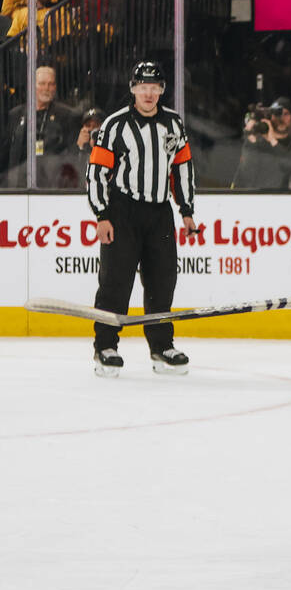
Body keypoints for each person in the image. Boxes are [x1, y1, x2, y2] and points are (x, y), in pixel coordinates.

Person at [87, 61, 196, 377]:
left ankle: (162, 347)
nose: (148, 93)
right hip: (122, 212)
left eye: (155, 87)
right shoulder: (114, 125)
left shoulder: (174, 124)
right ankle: (105, 346)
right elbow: (96, 172)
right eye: (143, 87)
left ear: (162, 90)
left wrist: (186, 211)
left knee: (162, 282)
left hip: (160, 213)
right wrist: (102, 214)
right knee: (115, 284)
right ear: (133, 89)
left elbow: (183, 167)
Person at [1, 65, 77, 188]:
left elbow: (71, 152)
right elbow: (6, 152)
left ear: (55, 87)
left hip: (52, 184)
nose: (46, 88)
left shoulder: (66, 115)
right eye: (42, 84)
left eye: (51, 84)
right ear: (32, 86)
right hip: (18, 184)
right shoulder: (15, 114)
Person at [231, 97, 291, 189]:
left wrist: (272, 140)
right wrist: (251, 139)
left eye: (286, 114)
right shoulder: (258, 144)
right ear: (271, 117)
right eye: (278, 114)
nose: (281, 118)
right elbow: (244, 175)